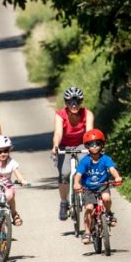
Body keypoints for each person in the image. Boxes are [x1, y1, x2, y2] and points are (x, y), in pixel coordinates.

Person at [51, 85, 94, 220]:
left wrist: (90, 147)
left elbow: (89, 132)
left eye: (77, 102)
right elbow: (58, 132)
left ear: (81, 102)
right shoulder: (60, 114)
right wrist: (56, 146)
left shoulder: (87, 114)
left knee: (87, 167)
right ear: (66, 102)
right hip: (64, 145)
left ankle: (88, 195)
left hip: (82, 143)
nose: (74, 105)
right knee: (64, 173)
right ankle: (64, 203)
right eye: (70, 102)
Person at [73, 128, 123, 244]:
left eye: (97, 144)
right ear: (87, 146)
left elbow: (112, 169)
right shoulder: (85, 161)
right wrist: (76, 183)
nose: (94, 147)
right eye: (91, 144)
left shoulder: (106, 159)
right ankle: (87, 232)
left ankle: (109, 214)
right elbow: (78, 174)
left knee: (106, 198)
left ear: (102, 145)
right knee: (89, 208)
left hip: (102, 185)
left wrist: (117, 177)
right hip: (88, 188)